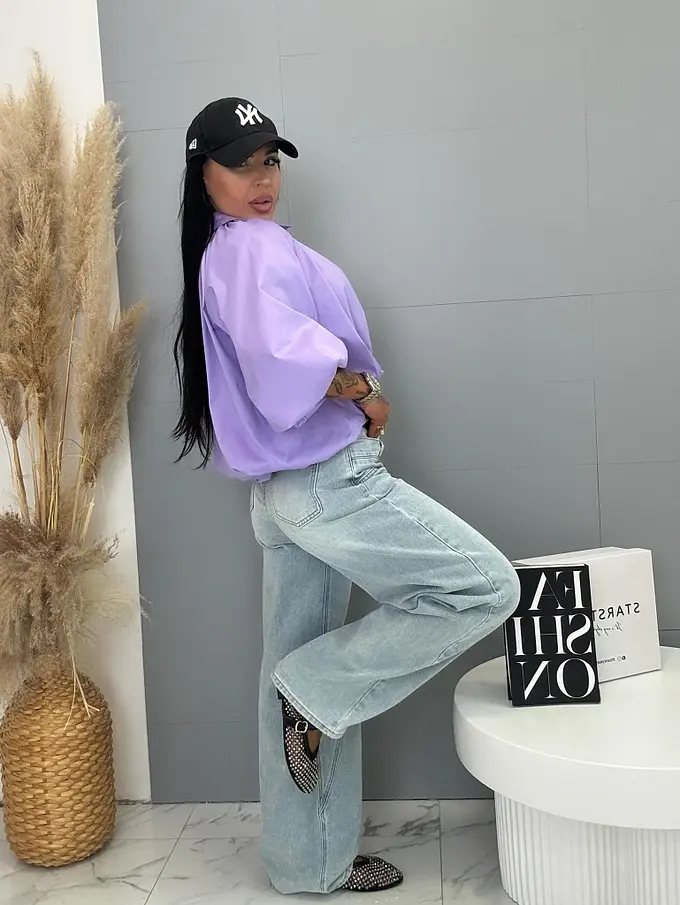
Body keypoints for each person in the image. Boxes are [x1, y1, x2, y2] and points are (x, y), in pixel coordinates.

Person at [173, 96, 520, 896]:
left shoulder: (224, 252)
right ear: (203, 174)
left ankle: (308, 862)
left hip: (283, 494)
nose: (261, 178)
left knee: (288, 663)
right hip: (328, 482)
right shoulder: (250, 247)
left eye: (269, 160)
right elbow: (285, 363)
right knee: (483, 588)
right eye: (240, 164)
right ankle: (317, 690)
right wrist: (366, 392)